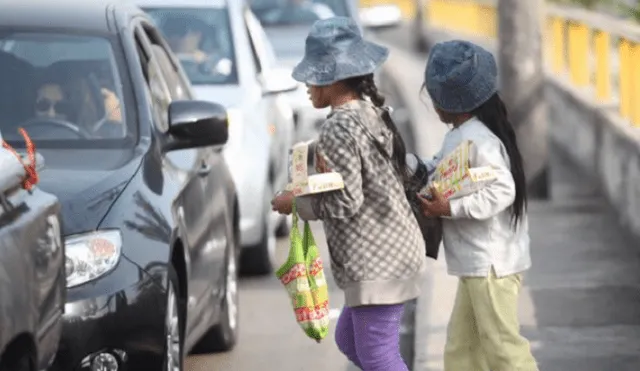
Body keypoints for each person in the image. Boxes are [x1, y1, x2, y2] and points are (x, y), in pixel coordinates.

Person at [270, 17, 426, 371]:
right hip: (394, 250)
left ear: (335, 78)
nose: (307, 85)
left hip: (378, 263)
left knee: (379, 357)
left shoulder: (339, 126)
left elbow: (347, 200)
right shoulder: (369, 112)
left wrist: (294, 203)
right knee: (349, 340)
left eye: (314, 75)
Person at [416, 40, 539, 371]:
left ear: (449, 101)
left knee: (505, 351)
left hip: (491, 267)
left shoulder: (479, 140)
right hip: (477, 266)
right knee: (462, 352)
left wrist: (449, 209)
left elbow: (503, 190)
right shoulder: (462, 135)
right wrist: (410, 165)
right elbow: (438, 166)